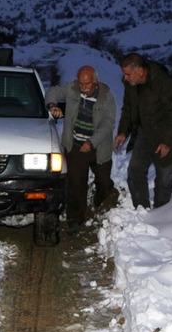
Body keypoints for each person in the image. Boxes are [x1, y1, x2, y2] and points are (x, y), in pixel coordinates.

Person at [114, 53, 172, 209]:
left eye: (128, 74)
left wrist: (167, 142)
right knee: (135, 171)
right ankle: (141, 209)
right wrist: (123, 131)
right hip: (146, 131)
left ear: (140, 71)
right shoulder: (131, 85)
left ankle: (161, 212)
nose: (125, 78)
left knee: (163, 177)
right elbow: (129, 108)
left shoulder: (164, 83)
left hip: (169, 134)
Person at [45, 66, 118, 231]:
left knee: (104, 182)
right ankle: (75, 220)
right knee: (76, 185)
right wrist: (52, 105)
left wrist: (91, 142)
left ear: (95, 81)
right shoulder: (72, 89)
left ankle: (100, 202)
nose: (84, 88)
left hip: (98, 146)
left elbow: (108, 124)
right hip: (76, 145)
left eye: (87, 84)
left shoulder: (106, 96)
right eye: (81, 83)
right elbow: (52, 92)